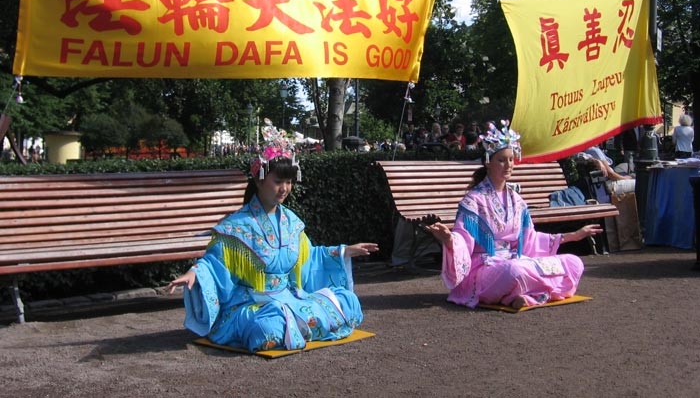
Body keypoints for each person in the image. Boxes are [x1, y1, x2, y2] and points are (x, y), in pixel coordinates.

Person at [168, 121, 378, 352]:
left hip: (290, 297)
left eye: (288, 182)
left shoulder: (292, 222)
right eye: (278, 181)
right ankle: (295, 325)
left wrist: (343, 251)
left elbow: (309, 257)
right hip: (253, 303)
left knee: (347, 302)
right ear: (259, 180)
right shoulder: (235, 226)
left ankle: (296, 324)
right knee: (267, 327)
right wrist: (196, 273)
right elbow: (214, 262)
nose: (284, 188)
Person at [425, 120, 602, 310]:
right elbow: (463, 238)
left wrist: (573, 235)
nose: (508, 165)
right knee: (515, 271)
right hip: (486, 268)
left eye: (511, 160)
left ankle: (523, 295)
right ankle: (530, 292)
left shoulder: (517, 200)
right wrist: (449, 239)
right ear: (488, 162)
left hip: (515, 260)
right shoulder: (473, 200)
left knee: (573, 263)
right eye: (502, 160)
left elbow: (530, 240)